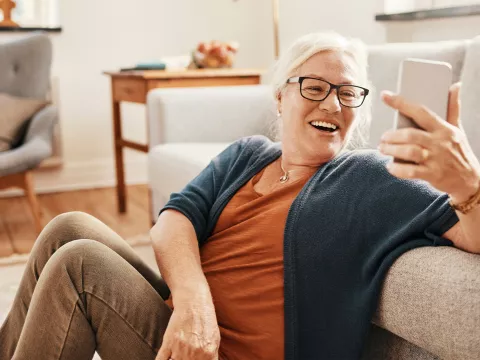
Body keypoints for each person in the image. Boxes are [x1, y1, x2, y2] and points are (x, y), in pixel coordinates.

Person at [1, 31, 480, 360]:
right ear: (280, 97)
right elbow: (174, 218)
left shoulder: (369, 177)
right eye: (314, 87)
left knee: (82, 264)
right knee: (68, 226)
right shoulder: (249, 153)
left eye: (349, 93)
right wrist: (193, 303)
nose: (332, 103)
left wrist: (466, 182)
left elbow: (471, 234)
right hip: (183, 330)